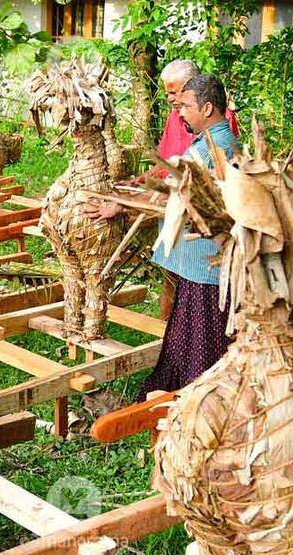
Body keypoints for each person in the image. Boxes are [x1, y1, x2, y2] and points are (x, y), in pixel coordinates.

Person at [87, 75, 240, 397]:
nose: (180, 112)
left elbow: (173, 195)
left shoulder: (215, 147)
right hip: (198, 264)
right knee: (188, 333)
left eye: (185, 106)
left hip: (204, 265)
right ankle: (184, 391)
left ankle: (200, 398)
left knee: (202, 339)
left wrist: (121, 206)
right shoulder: (211, 142)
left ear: (207, 107)